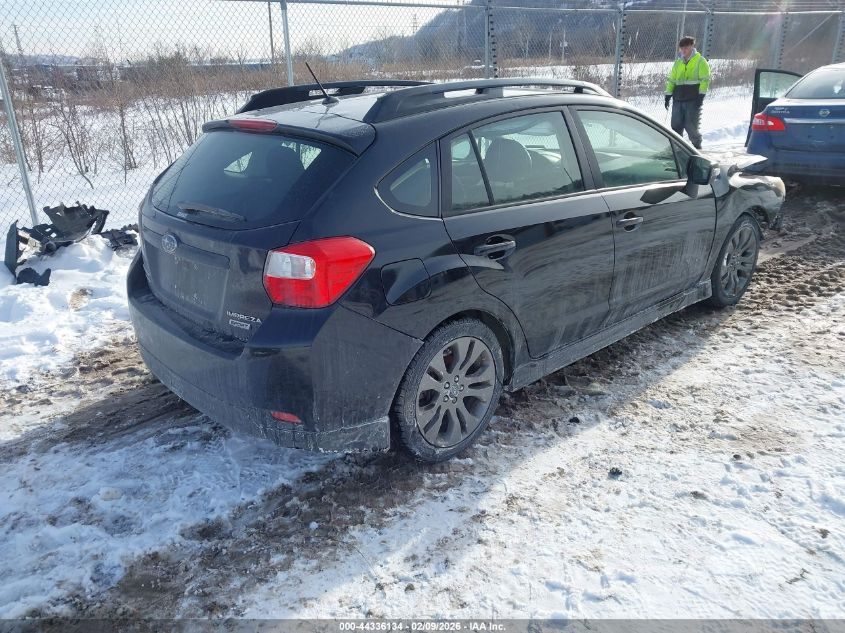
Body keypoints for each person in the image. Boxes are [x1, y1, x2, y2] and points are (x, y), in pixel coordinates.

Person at [664, 36, 711, 149]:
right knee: (675, 125)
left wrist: (701, 96)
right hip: (678, 98)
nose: (683, 50)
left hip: (692, 99)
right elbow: (672, 80)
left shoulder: (700, 61)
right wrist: (668, 95)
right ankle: (677, 149)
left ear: (692, 47)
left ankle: (697, 147)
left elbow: (705, 80)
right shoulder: (678, 63)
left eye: (686, 47)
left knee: (691, 127)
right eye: (681, 48)